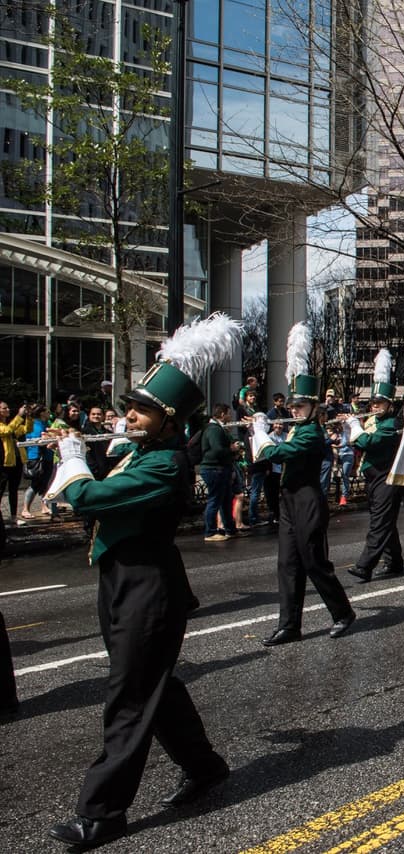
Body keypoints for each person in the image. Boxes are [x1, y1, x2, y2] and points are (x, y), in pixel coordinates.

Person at [45, 314, 237, 849]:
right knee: (155, 684)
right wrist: (83, 451)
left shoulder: (166, 465)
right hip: (121, 581)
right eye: (131, 406)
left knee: (129, 696)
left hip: (148, 588)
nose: (129, 414)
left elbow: (89, 498)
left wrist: (71, 458)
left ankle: (102, 812)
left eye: (143, 410)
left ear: (170, 422)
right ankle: (205, 766)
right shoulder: (142, 452)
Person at [253, 322, 356, 645]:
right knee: (288, 564)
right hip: (288, 499)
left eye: (300, 406)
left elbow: (274, 454)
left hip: (309, 500)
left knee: (313, 561)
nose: (294, 410)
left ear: (313, 408)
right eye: (293, 406)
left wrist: (260, 431)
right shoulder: (296, 429)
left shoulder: (310, 434)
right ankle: (289, 624)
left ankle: (342, 612)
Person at [345, 349, 404, 582]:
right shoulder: (374, 420)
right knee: (385, 520)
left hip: (386, 477)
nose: (375, 407)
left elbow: (369, 441)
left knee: (379, 522)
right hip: (373, 477)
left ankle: (364, 565)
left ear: (389, 405)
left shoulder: (390, 425)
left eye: (380, 403)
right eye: (374, 403)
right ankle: (394, 561)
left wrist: (354, 427)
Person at [200, 404, 243, 542]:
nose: (230, 416)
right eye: (228, 413)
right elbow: (217, 449)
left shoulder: (217, 428)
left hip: (220, 468)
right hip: (214, 469)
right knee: (214, 500)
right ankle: (210, 532)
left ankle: (230, 530)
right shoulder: (213, 429)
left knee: (225, 500)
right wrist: (231, 448)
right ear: (222, 414)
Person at [0, 401, 32, 518]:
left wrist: (28, 416)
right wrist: (19, 415)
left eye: (8, 407)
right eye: (4, 408)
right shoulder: (4, 425)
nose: (7, 409)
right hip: (4, 462)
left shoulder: (11, 423)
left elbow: (26, 429)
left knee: (14, 490)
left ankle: (13, 516)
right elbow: (7, 431)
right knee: (1, 490)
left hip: (16, 461)